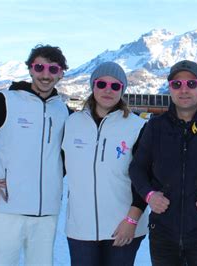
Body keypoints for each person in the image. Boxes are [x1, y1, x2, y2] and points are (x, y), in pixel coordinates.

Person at [0, 44, 70, 265]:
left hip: (46, 216)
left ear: (62, 73)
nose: (46, 75)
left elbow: (66, 158)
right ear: (30, 69)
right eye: (39, 67)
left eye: (53, 69)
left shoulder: (63, 111)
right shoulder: (5, 102)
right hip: (7, 211)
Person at [129, 60, 197, 265]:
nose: (184, 90)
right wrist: (149, 194)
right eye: (177, 85)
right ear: (170, 89)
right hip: (163, 233)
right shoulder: (156, 127)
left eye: (191, 84)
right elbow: (137, 168)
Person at [62, 62, 148, 266]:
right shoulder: (71, 123)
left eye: (115, 86)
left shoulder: (137, 127)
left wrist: (132, 220)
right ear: (93, 87)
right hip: (80, 228)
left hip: (123, 227)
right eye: (101, 84)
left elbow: (145, 178)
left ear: (122, 90)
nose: (108, 90)